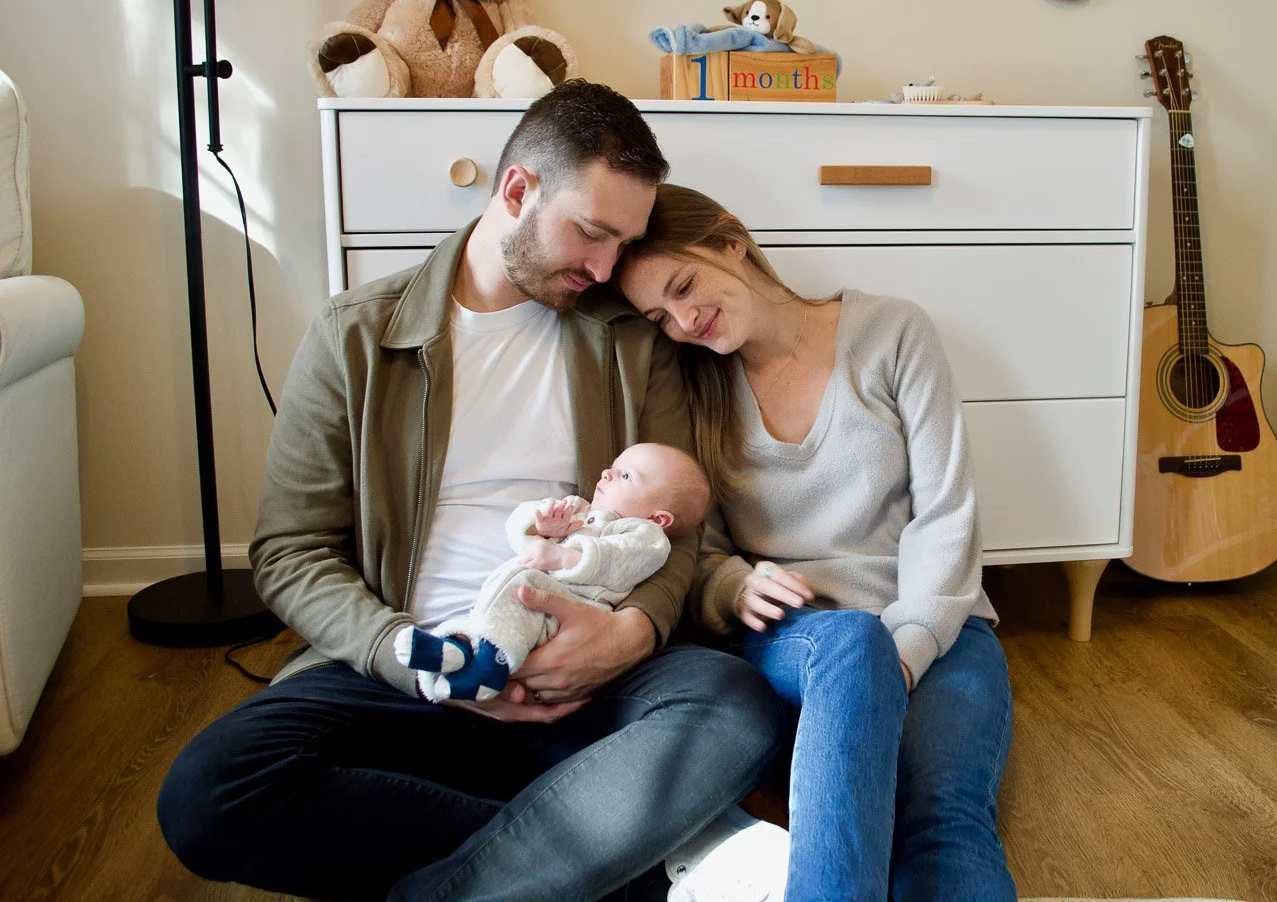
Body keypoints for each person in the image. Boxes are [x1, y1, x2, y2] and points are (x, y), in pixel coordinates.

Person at [156, 83, 787, 902]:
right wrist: (401, 658)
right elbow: (288, 551)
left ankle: (491, 878)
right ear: (517, 191)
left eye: (623, 244)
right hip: (410, 670)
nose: (606, 270)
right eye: (592, 233)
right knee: (207, 794)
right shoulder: (356, 334)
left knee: (735, 705)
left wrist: (630, 633)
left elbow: (677, 530)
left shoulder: (630, 341)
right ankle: (615, 858)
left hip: (583, 681)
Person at [617, 185, 1018, 902]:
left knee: (944, 816)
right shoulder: (692, 383)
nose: (682, 322)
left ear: (730, 240)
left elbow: (947, 511)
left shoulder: (893, 331)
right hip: (796, 638)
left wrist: (909, 648)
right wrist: (733, 584)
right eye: (658, 315)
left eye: (684, 286)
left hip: (937, 627)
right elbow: (692, 548)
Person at [397, 443, 712, 703]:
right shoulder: (577, 509)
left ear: (659, 519)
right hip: (519, 606)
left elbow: (619, 559)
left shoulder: (646, 537)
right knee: (492, 607)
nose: (607, 473)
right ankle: (453, 650)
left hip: (563, 615)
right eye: (614, 466)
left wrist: (564, 556)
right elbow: (522, 532)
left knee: (524, 588)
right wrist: (539, 527)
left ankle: (489, 665)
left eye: (626, 475)